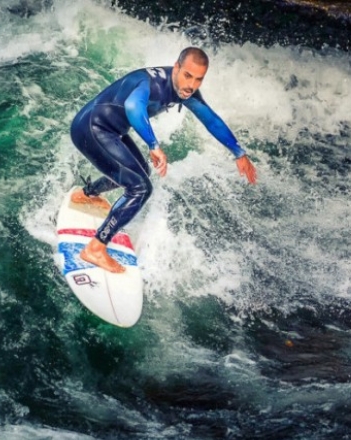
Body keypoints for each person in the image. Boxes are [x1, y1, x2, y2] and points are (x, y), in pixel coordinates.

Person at [69, 47, 257, 273]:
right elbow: (132, 106)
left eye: (199, 79)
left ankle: (87, 194)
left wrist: (239, 153)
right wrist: (154, 145)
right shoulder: (154, 84)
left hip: (110, 129)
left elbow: (211, 120)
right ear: (176, 67)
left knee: (140, 172)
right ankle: (95, 248)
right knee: (140, 188)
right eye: (188, 75)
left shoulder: (186, 92)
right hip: (91, 128)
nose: (191, 85)